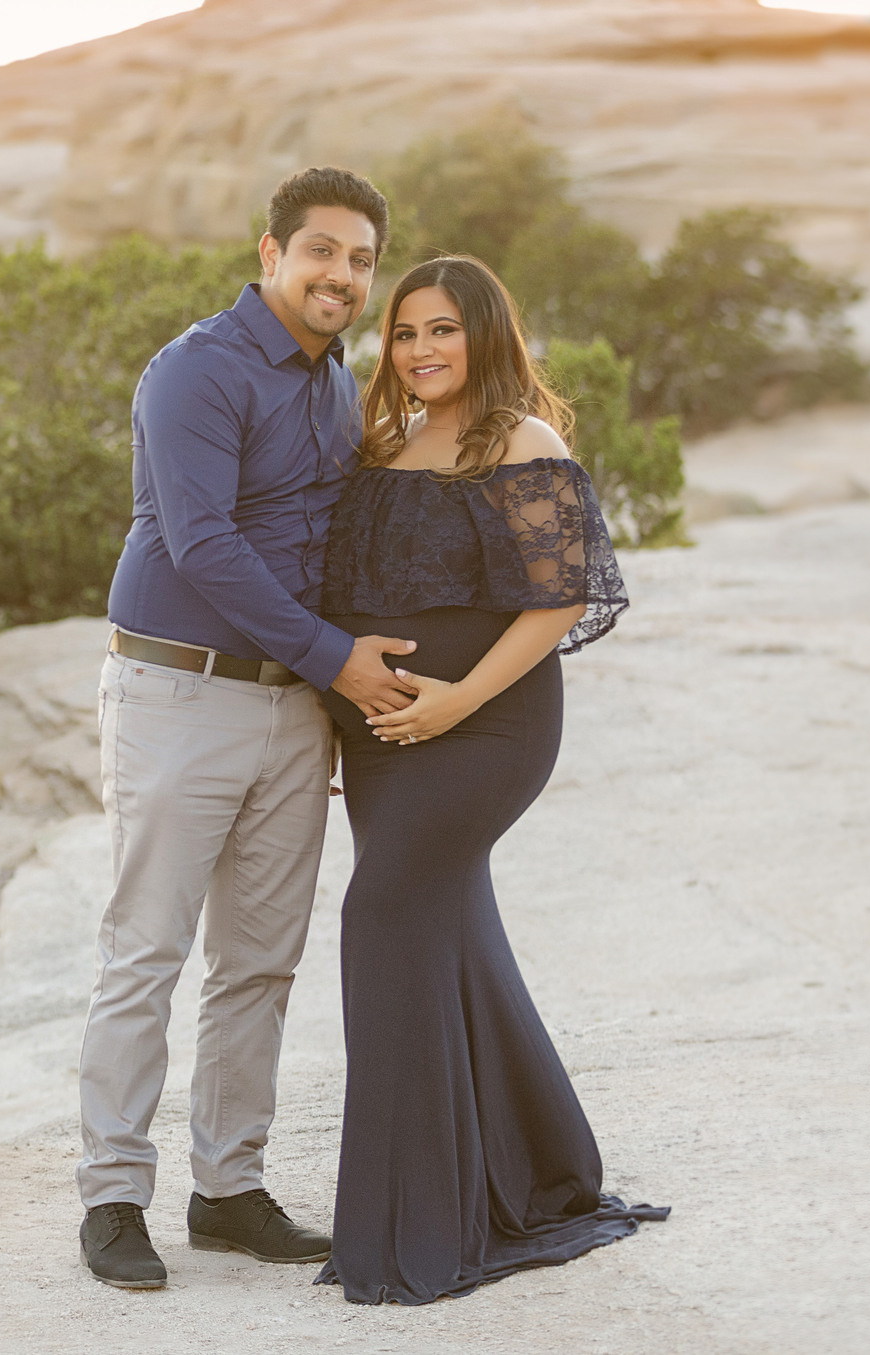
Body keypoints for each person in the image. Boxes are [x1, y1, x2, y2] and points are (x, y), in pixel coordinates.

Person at [76, 166, 418, 1291]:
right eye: (321, 251)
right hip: (182, 694)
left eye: (361, 260)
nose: (343, 276)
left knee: (259, 964)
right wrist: (341, 663)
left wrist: (328, 688)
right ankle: (114, 1198)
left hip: (289, 711)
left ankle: (227, 1188)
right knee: (146, 953)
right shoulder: (196, 372)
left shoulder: (333, 385)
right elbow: (203, 545)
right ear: (269, 253)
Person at [314, 253, 667, 1306]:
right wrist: (348, 726)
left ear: (485, 336)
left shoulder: (523, 439)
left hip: (486, 731)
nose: (420, 351)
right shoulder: (378, 442)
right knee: (447, 925)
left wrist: (455, 701)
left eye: (442, 331)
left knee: (381, 918)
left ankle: (413, 1221)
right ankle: (538, 1170)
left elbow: (559, 602)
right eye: (405, 332)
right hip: (384, 742)